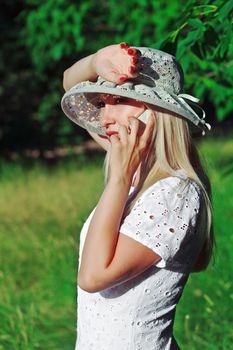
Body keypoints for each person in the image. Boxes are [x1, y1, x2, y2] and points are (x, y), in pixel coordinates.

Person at [62, 43, 214, 350]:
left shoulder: (177, 193)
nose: (104, 118)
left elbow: (93, 277)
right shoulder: (138, 172)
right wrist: (97, 59)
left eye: (118, 99)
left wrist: (117, 179)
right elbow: (69, 82)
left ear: (158, 113)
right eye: (102, 103)